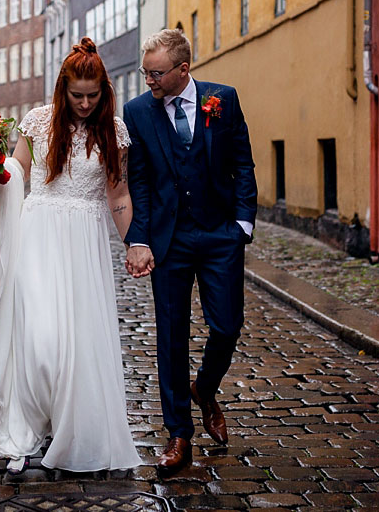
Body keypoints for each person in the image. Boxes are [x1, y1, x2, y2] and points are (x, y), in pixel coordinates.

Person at [0, 37, 142, 474]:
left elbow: (119, 193)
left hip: (84, 244)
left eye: (94, 95)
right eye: (77, 96)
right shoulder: (38, 122)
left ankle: (71, 427)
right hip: (38, 236)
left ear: (104, 90)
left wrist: (134, 243)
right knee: (41, 339)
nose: (86, 103)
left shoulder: (115, 131)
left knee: (79, 343)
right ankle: (24, 429)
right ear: (62, 89)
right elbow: (17, 169)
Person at [122, 28, 257, 474]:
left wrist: (242, 223)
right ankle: (180, 435)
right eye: (145, 72)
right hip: (169, 241)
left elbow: (242, 161)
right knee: (171, 336)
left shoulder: (224, 99)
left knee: (227, 326)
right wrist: (139, 238)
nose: (149, 81)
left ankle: (205, 388)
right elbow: (138, 182)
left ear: (184, 69)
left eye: (156, 73)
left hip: (220, 235)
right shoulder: (138, 112)